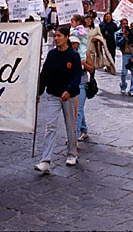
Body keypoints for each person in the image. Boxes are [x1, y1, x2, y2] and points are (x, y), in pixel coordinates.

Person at [35, 25, 82, 173]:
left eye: (59, 36)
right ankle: (45, 160)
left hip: (69, 96)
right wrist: (39, 92)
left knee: (70, 126)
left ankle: (72, 153)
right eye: (55, 36)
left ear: (67, 37)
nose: (56, 39)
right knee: (50, 126)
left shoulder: (73, 56)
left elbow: (76, 76)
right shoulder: (52, 55)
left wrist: (69, 90)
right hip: (54, 95)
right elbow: (45, 75)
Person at [116, 18, 133, 96]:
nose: (125, 25)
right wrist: (124, 36)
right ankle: (123, 85)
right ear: (120, 25)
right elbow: (118, 43)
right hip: (126, 54)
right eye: (123, 24)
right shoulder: (118, 33)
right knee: (124, 73)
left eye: (126, 23)